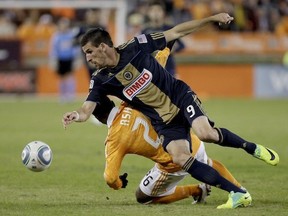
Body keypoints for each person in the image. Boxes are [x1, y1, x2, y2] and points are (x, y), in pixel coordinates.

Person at [62, 13, 279, 209]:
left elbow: (176, 32)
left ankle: (251, 148)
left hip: (179, 97)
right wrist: (76, 114)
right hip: (164, 121)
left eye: (89, 52)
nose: (87, 58)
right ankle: (238, 193)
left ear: (102, 47)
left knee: (206, 134)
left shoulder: (136, 46)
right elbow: (87, 107)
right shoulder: (100, 79)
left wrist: (211, 18)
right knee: (180, 157)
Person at [91, 47, 245, 205]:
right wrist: (165, 49)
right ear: (110, 102)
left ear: (96, 116)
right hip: (189, 140)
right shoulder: (130, 102)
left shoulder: (114, 140)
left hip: (172, 163)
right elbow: (155, 67)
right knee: (206, 161)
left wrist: (119, 183)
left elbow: (110, 178)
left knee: (142, 197)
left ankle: (197, 190)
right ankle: (240, 190)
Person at [141, 0, 185, 77]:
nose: (155, 13)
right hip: (151, 70)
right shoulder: (145, 31)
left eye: (158, 10)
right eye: (152, 10)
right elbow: (140, 49)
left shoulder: (170, 29)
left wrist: (171, 49)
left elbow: (182, 46)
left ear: (163, 13)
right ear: (148, 13)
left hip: (169, 70)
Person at [49, 17, 79, 103]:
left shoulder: (71, 35)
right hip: (60, 59)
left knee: (70, 76)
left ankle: (71, 95)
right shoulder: (56, 36)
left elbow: (75, 47)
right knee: (61, 78)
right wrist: (53, 59)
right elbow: (54, 48)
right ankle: (62, 95)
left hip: (70, 58)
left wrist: (76, 58)